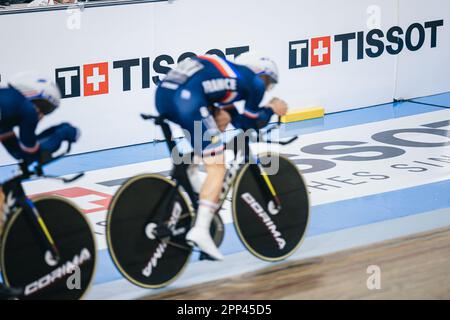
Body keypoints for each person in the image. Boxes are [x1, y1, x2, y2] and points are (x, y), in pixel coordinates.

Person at [155, 53, 288, 261]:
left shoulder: (235, 76)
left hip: (164, 96)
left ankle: (190, 168)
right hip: (188, 99)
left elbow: (234, 118)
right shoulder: (255, 84)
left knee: (213, 128)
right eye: (269, 84)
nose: (267, 89)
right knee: (218, 167)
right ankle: (200, 230)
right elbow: (250, 122)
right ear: (264, 76)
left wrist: (227, 116)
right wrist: (271, 108)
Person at [0, 74, 79, 299]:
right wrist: (63, 132)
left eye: (49, 111)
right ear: (35, 96)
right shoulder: (24, 108)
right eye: (45, 107)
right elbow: (30, 153)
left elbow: (19, 152)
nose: (43, 114)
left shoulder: (9, 105)